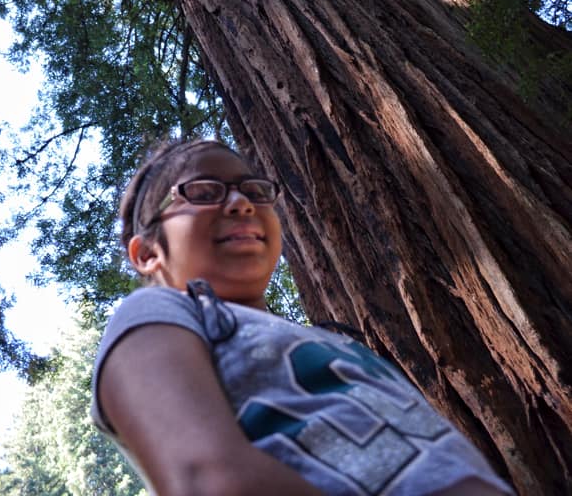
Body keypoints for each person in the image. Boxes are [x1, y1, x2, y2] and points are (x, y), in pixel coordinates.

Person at [91, 138, 515, 496]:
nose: (240, 203)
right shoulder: (157, 312)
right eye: (203, 191)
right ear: (147, 253)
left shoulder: (335, 341)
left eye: (255, 191)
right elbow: (209, 478)